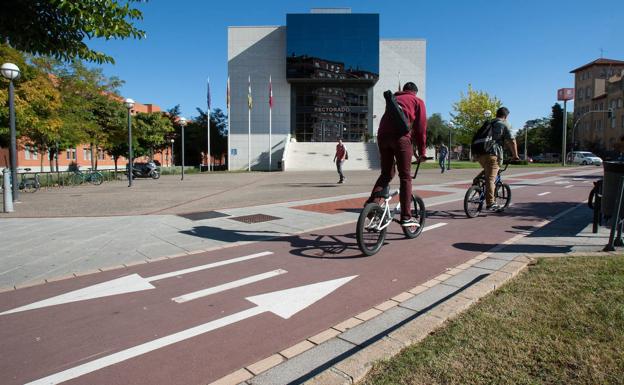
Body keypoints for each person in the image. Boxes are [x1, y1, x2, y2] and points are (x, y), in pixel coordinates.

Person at [367, 82, 427, 227]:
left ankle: (371, 206)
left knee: (386, 174)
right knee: (405, 177)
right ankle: (406, 216)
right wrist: (422, 152)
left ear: (404, 90)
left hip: (382, 136)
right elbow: (420, 129)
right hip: (401, 137)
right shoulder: (417, 101)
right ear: (414, 92)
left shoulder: (393, 99)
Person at [475, 107, 519, 210]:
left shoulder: (488, 123)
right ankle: (490, 203)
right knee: (491, 178)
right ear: (506, 116)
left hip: (480, 154)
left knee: (488, 171)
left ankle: (476, 184)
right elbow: (512, 141)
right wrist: (515, 155)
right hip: (493, 154)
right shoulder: (503, 124)